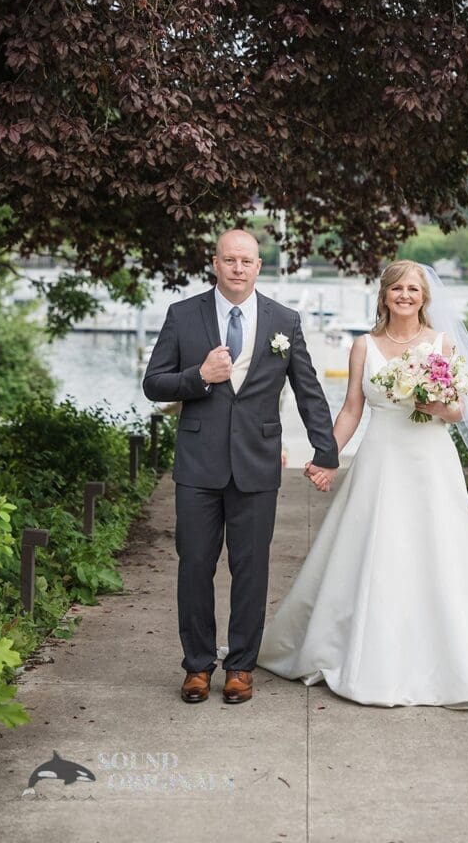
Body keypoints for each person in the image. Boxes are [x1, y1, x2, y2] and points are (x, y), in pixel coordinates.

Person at [257, 259, 468, 708]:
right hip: (381, 462)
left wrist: (433, 401)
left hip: (430, 462)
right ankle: (366, 657)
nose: (405, 295)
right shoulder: (364, 346)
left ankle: (457, 667)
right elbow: (351, 410)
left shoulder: (440, 342)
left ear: (424, 298)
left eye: (413, 290)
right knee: (376, 553)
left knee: (438, 553)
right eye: (396, 288)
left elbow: (458, 410)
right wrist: (327, 456)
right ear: (384, 296)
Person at [143, 229, 338, 705]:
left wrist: (326, 451)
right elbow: (154, 383)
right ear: (215, 263)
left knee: (251, 570)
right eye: (229, 260)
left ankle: (240, 668)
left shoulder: (284, 320)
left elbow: (309, 391)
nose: (238, 268)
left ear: (258, 266)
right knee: (194, 567)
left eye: (246, 261)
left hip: (256, 464)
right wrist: (198, 377)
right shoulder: (182, 315)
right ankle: (196, 666)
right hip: (197, 466)